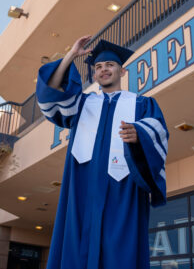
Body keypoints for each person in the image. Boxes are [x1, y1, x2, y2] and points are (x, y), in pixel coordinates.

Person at [36, 35, 168, 269]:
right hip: (82, 190)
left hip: (124, 190)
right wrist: (71, 56)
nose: (103, 70)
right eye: (98, 67)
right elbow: (51, 90)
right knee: (77, 250)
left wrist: (140, 134)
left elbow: (159, 131)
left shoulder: (142, 104)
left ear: (122, 72)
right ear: (94, 75)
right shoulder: (81, 104)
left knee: (120, 253)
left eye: (109, 65)